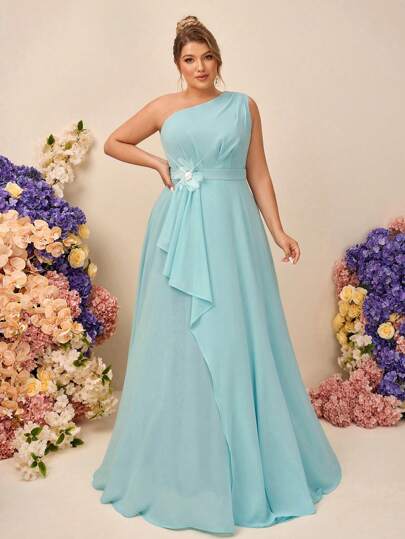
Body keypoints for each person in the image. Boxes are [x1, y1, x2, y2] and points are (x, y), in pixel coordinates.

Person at [92, 14, 342, 535]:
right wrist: (157, 164)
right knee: (176, 336)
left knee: (234, 331)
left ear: (218, 59)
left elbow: (258, 172)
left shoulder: (243, 106)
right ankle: (182, 460)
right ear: (178, 64)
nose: (199, 66)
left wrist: (278, 231)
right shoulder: (164, 107)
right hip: (179, 228)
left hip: (232, 227)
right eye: (189, 59)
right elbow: (115, 142)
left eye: (207, 57)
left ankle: (249, 457)